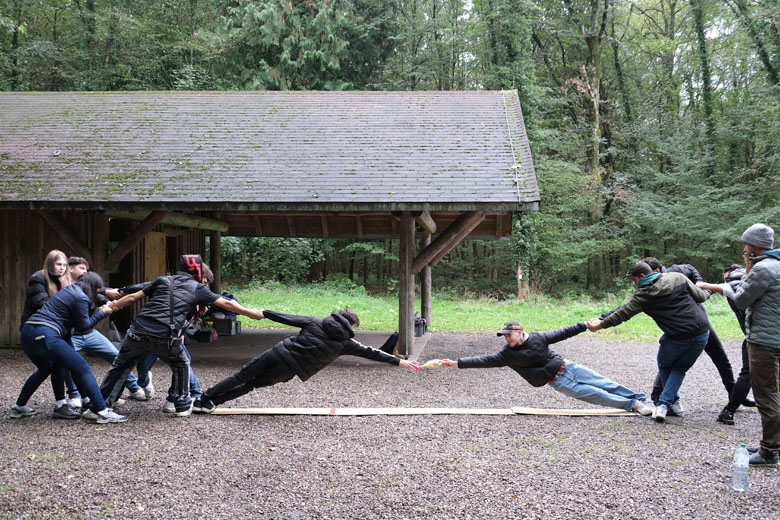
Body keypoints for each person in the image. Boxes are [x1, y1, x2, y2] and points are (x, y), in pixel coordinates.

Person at [99, 254, 264, 416]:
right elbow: (226, 303)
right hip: (163, 336)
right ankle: (181, 405)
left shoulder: (163, 280)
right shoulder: (197, 288)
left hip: (137, 331)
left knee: (120, 366)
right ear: (198, 272)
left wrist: (111, 307)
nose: (206, 284)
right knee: (181, 363)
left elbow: (133, 296)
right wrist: (251, 313)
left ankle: (99, 406)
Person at [192, 308, 420, 413]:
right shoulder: (347, 343)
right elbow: (373, 353)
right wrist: (400, 362)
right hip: (289, 368)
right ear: (351, 326)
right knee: (249, 384)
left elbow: (288, 318)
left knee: (241, 375)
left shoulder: (316, 321)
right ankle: (213, 403)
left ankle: (204, 399)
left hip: (277, 353)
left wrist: (264, 313)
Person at [587, 261, 712, 422]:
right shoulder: (677, 278)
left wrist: (600, 325)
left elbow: (623, 314)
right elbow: (701, 296)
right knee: (679, 369)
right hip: (702, 333)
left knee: (665, 364)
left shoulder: (643, 295)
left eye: (634, 280)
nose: (635, 284)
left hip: (677, 337)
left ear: (642, 276)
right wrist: (710, 289)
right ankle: (670, 403)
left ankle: (664, 404)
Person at [439, 321, 653, 415]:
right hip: (558, 382)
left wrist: (584, 325)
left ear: (520, 332)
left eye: (509, 335)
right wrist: (457, 363)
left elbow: (562, 332)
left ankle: (639, 398)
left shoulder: (539, 338)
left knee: (605, 384)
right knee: (596, 395)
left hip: (568, 368)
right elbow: (483, 360)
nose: (507, 339)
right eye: (504, 336)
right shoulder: (506, 355)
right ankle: (633, 405)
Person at [699, 224, 779, 466]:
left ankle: (769, 451)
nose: (744, 249)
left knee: (767, 395)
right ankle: (774, 443)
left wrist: (748, 266)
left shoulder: (762, 268)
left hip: (765, 342)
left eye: (746, 246)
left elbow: (742, 299)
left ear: (753, 246)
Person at [12, 272, 126, 424]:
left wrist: (106, 296)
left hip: (28, 333)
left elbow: (95, 293)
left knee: (48, 367)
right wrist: (102, 313)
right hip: (46, 333)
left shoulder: (71, 290)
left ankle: (19, 406)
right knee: (83, 368)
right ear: (93, 288)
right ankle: (102, 411)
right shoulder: (81, 298)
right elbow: (84, 326)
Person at [641, 257, 742, 409]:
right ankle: (658, 397)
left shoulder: (676, 271)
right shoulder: (651, 288)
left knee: (721, 358)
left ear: (656, 271)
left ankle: (734, 396)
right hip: (679, 330)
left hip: (701, 324)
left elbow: (691, 268)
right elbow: (631, 306)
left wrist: (698, 286)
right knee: (669, 363)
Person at [62, 257, 146, 409]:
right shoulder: (63, 286)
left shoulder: (89, 286)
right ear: (71, 268)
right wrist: (103, 306)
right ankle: (74, 394)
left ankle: (133, 387)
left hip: (90, 333)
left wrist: (110, 299)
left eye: (86, 270)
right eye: (82, 268)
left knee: (116, 355)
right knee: (68, 362)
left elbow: (98, 292)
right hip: (71, 335)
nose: (85, 272)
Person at [12, 249, 77, 419]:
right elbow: (43, 304)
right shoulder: (38, 278)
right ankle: (63, 404)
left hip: (55, 331)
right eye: (58, 264)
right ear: (50, 264)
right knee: (54, 364)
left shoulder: (65, 281)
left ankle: (20, 406)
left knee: (52, 365)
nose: (62, 268)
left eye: (64, 265)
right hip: (35, 331)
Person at [697, 265, 752, 425]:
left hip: (758, 335)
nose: (726, 280)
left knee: (747, 373)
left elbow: (730, 287)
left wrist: (705, 286)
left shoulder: (738, 278)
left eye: (726, 278)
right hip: (759, 333)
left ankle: (729, 411)